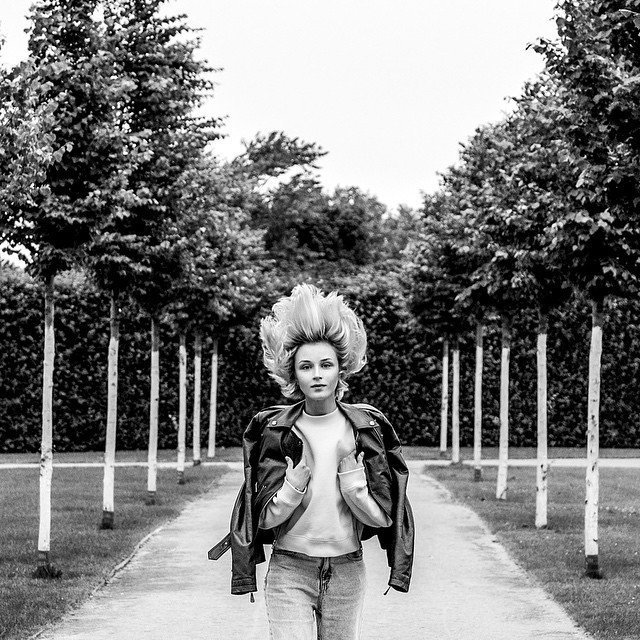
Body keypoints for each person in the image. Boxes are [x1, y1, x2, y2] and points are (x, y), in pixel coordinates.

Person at [208, 284, 414, 640]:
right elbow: (263, 521)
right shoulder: (277, 431)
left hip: (347, 571)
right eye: (306, 366)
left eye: (325, 364)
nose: (317, 374)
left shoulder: (364, 430)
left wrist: (353, 484)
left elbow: (383, 518)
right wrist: (292, 487)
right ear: (293, 374)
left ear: (340, 370)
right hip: (289, 570)